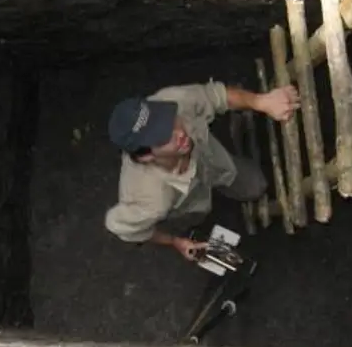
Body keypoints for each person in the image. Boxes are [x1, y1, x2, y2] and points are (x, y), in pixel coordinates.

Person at [104, 79, 300, 262]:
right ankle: (195, 222)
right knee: (197, 221)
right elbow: (125, 228)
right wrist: (175, 241)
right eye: (162, 137)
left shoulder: (174, 100)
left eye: (168, 119)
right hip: (187, 206)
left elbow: (216, 95)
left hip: (216, 165)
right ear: (146, 156)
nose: (179, 133)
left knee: (257, 186)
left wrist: (262, 102)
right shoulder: (149, 200)